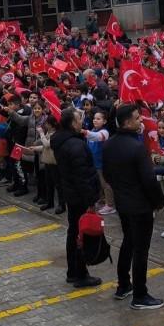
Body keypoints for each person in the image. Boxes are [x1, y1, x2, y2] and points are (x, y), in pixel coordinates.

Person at [102, 104, 164, 310]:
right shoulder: (137, 147)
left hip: (123, 204)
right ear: (128, 122)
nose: (141, 121)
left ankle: (123, 285)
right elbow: (149, 180)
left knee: (128, 243)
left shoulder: (109, 144)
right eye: (138, 118)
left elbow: (108, 175)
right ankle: (140, 294)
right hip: (140, 207)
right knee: (140, 250)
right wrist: (158, 202)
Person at [51, 108, 102, 288]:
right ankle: (80, 274)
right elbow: (83, 177)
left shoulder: (61, 140)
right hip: (79, 196)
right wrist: (90, 200)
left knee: (73, 232)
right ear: (73, 123)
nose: (82, 121)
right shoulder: (75, 145)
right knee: (81, 234)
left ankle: (72, 271)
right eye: (79, 119)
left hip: (70, 193)